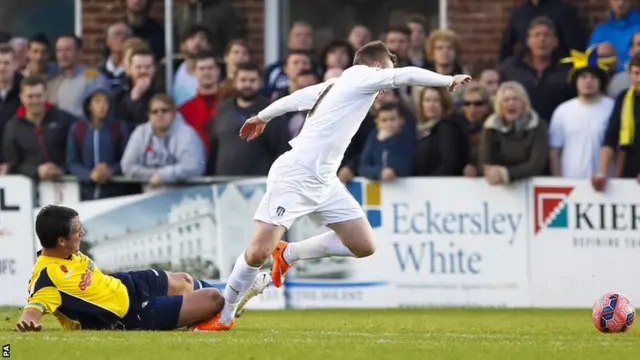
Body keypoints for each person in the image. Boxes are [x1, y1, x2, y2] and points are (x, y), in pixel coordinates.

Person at [196, 40, 470, 331]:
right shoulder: (364, 77)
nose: (386, 87)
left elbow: (295, 98)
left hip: (325, 180)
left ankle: (288, 253)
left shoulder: (334, 85)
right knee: (257, 253)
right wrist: (447, 80)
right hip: (296, 174)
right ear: (376, 66)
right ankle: (223, 314)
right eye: (385, 74)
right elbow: (406, 75)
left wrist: (262, 116)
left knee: (364, 245)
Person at [16, 205, 269, 332]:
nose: (82, 232)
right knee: (213, 299)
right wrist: (28, 324)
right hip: (129, 315)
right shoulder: (47, 278)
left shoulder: (68, 251)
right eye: (76, 230)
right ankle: (228, 307)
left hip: (126, 284)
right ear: (60, 241)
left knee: (184, 280)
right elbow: (31, 311)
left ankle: (229, 304)